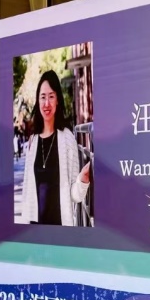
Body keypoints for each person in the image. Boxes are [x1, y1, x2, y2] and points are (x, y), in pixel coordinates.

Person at [20, 70, 91, 226]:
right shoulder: (33, 141)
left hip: (59, 229)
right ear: (38, 101)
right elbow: (27, 192)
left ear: (58, 100)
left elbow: (75, 195)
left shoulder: (67, 139)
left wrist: (83, 179)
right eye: (43, 97)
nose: (46, 103)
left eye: (51, 96)